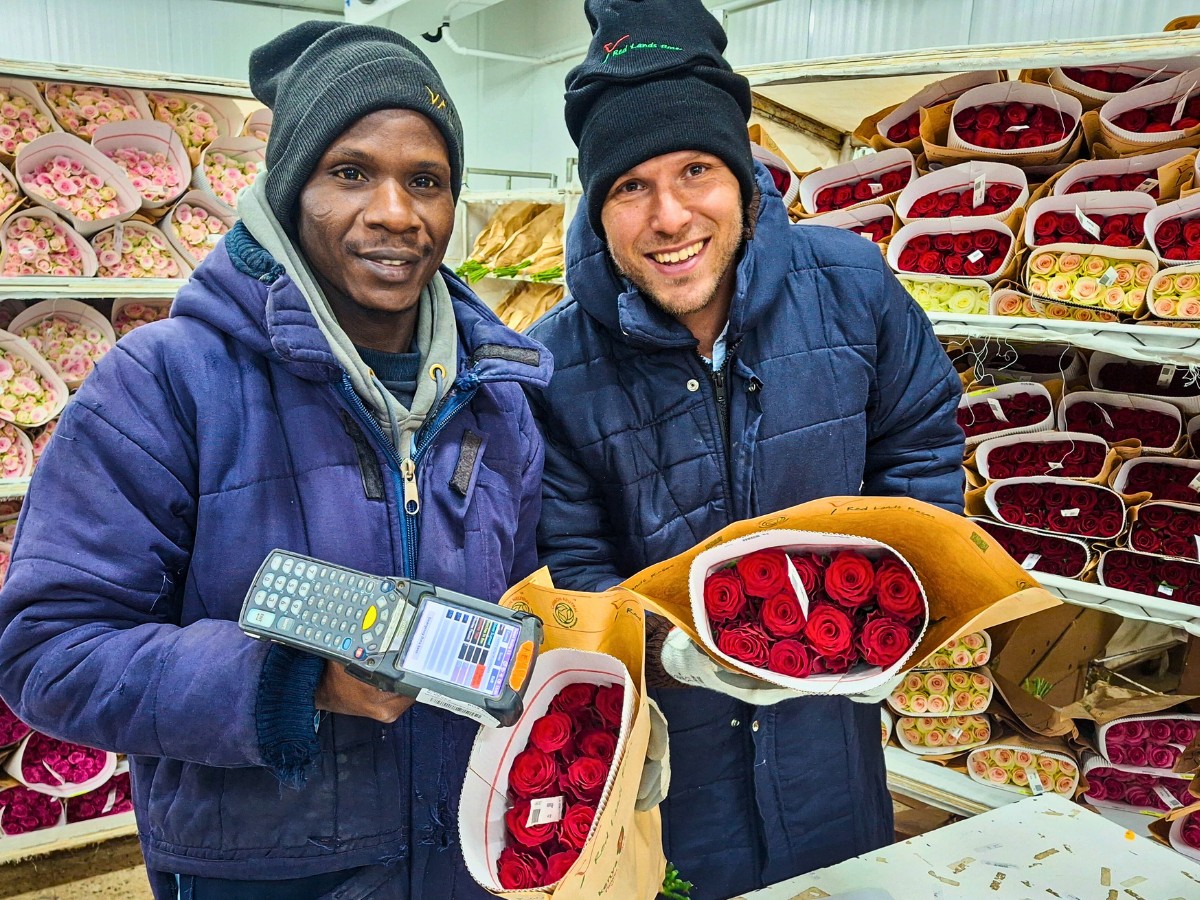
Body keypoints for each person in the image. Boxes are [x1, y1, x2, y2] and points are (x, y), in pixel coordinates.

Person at [0, 21, 549, 900]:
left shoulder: (498, 398)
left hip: (469, 861)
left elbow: (526, 608)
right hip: (260, 874)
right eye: (351, 172)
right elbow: (47, 652)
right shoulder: (164, 383)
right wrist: (294, 681)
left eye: (427, 180)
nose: (396, 213)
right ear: (292, 190)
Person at [527, 2, 965, 898]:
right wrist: (669, 654)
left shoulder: (852, 288)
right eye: (629, 186)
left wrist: (898, 601)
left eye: (696, 170)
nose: (670, 216)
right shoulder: (557, 364)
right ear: (597, 204)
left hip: (831, 740)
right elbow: (571, 561)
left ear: (742, 168)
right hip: (672, 774)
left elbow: (918, 445)